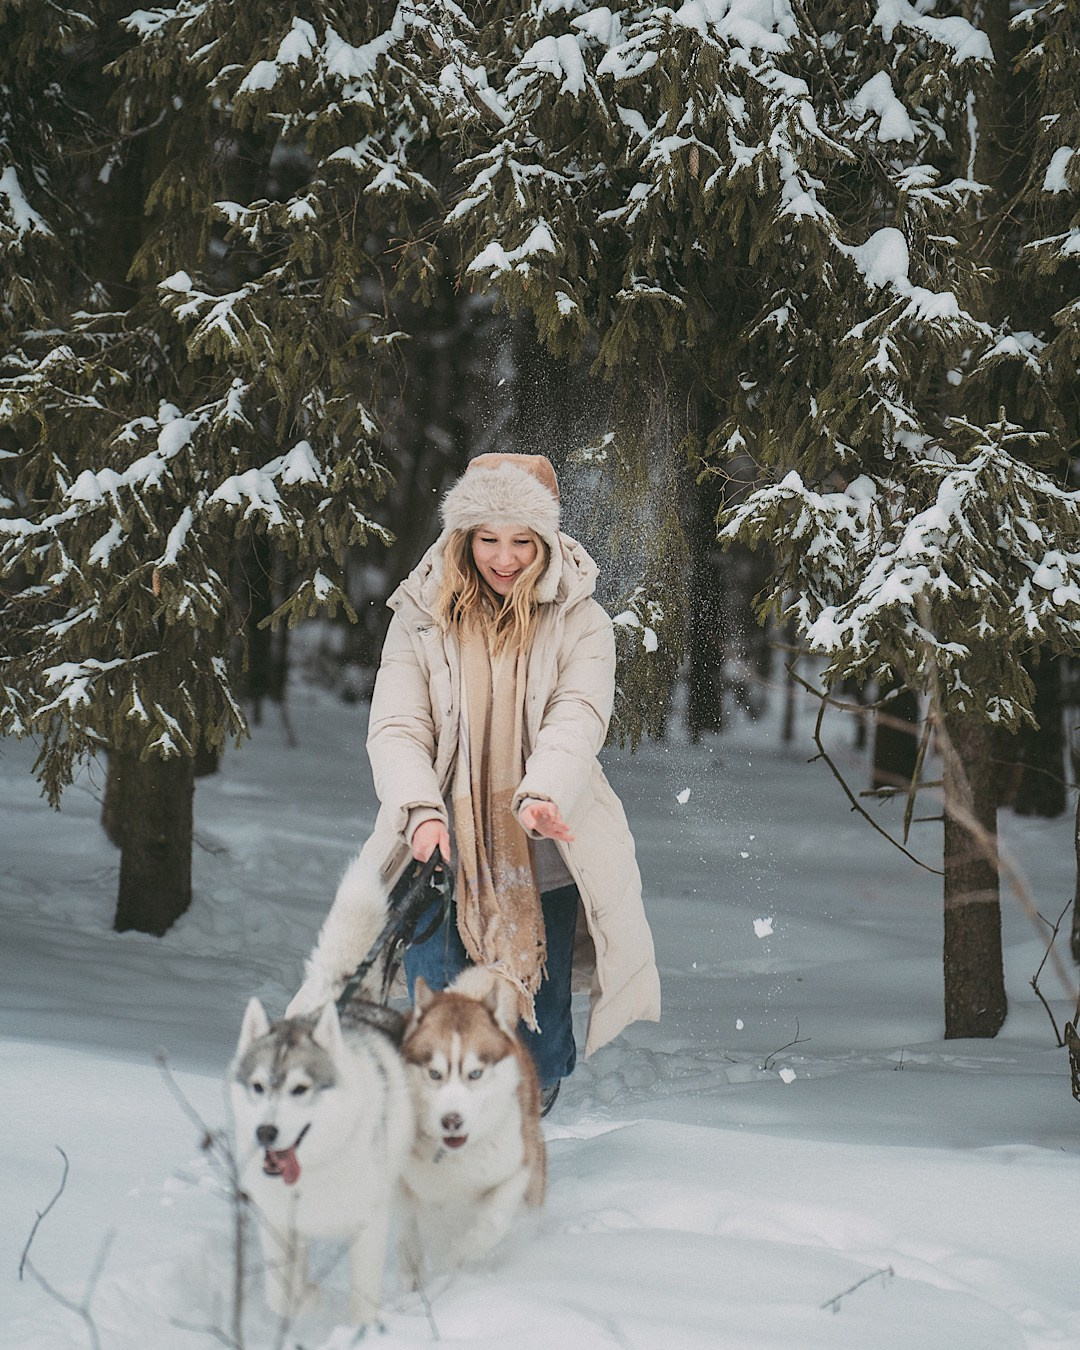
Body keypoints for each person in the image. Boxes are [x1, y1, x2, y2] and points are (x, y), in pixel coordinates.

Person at [297, 453, 660, 1113]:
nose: (504, 557)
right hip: (438, 847)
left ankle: (525, 1112)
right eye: (488, 539)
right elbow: (398, 725)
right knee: (436, 1009)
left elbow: (576, 720)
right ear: (463, 537)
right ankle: (439, 1134)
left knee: (536, 1040)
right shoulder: (421, 616)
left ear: (546, 541)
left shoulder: (581, 622)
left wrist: (543, 793)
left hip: (540, 854)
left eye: (522, 541)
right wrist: (419, 811)